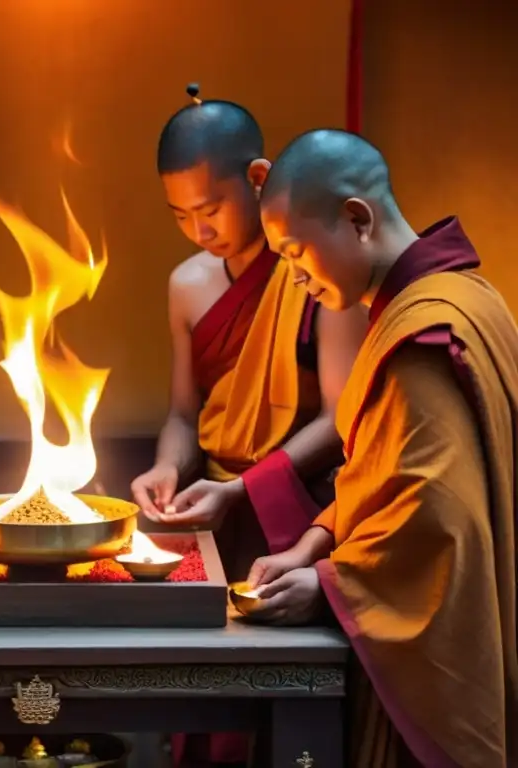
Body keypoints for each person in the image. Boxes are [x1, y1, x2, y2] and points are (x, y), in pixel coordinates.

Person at [248, 128, 518, 767]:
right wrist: (314, 543)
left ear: (356, 219)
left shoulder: (423, 334)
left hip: (437, 654)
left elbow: (433, 520)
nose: (294, 279)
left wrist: (328, 582)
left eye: (295, 253)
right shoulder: (470, 298)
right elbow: (384, 472)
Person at [128, 89, 369, 767]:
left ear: (258, 179)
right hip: (211, 521)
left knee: (277, 715)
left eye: (210, 209)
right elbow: (185, 413)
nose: (199, 232)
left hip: (295, 514)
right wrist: (168, 470)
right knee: (205, 709)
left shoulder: (318, 270)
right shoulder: (187, 283)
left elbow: (339, 417)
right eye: (180, 215)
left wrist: (244, 489)